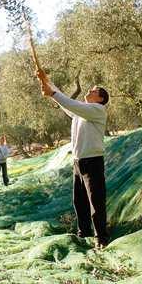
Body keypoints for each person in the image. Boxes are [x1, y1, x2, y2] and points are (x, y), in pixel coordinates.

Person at [38, 71, 110, 248]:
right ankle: (83, 232)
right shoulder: (82, 112)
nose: (90, 91)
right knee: (79, 201)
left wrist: (52, 93)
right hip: (78, 162)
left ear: (100, 99)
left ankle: (101, 237)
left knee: (96, 201)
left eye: (94, 91)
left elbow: (71, 104)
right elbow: (68, 105)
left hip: (93, 161)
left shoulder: (97, 110)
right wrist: (47, 81)